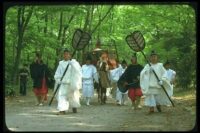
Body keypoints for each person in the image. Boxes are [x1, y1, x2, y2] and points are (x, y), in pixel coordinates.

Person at [54, 49, 82, 115]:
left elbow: (78, 71)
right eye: (64, 54)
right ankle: (62, 110)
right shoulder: (61, 63)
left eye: (67, 54)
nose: (65, 55)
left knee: (72, 96)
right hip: (63, 83)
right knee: (62, 95)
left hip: (71, 83)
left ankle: (74, 106)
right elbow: (57, 73)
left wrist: (72, 64)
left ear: (70, 55)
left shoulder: (74, 62)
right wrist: (58, 79)